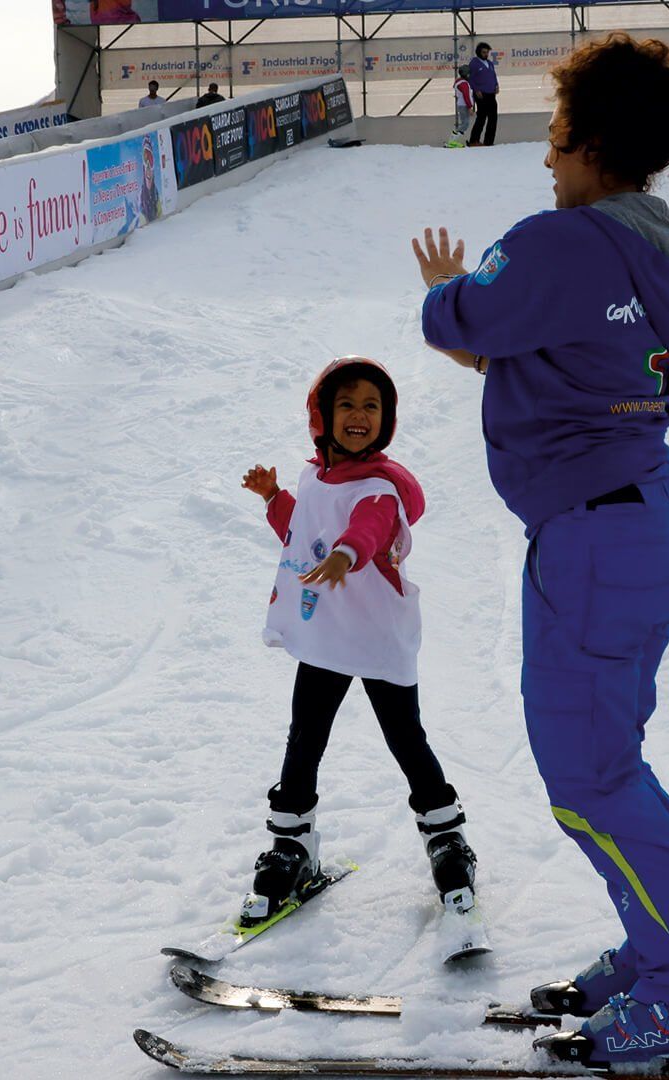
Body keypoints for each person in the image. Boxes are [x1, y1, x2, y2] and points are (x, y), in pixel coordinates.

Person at [410, 32, 669, 1071]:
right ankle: (663, 952)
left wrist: (443, 290)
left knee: (589, 782)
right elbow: (560, 361)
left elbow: (463, 316)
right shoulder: (663, 254)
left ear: (594, 145)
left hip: (595, 542)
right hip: (643, 530)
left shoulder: (562, 242)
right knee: (611, 769)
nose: (545, 164)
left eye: (554, 142)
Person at [237, 357, 478, 930]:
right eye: (346, 405)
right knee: (305, 738)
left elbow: (364, 529)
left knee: (405, 739)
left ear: (386, 419)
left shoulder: (380, 489)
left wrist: (349, 554)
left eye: (372, 406)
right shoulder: (315, 479)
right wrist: (275, 500)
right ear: (322, 416)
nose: (359, 416)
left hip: (376, 638)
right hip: (326, 639)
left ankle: (447, 839)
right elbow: (307, 536)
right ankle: (293, 846)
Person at [466, 43, 499, 146]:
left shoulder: (490, 63)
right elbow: (470, 78)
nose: (486, 54)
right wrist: (476, 89)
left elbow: (493, 75)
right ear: (479, 52)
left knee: (493, 118)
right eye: (484, 52)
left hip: (491, 94)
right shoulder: (474, 63)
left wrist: (497, 85)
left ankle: (489, 141)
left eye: (487, 52)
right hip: (481, 94)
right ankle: (474, 140)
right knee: (481, 117)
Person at [448, 65, 475, 148]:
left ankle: (453, 140)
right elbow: (466, 95)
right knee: (465, 124)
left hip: (462, 104)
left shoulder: (459, 82)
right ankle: (452, 141)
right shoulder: (464, 83)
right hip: (464, 105)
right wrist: (470, 107)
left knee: (464, 123)